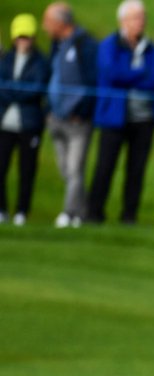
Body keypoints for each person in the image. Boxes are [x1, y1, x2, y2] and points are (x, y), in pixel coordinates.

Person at [87, 0, 154, 224]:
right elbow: (112, 73)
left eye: (142, 17)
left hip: (144, 119)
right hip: (113, 117)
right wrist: (139, 74)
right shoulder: (109, 45)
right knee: (105, 166)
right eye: (135, 17)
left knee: (136, 170)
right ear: (123, 20)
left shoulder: (150, 48)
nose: (140, 22)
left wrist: (131, 76)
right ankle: (94, 213)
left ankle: (129, 215)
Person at [42, 1, 96, 229]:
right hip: (56, 118)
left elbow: (93, 81)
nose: (45, 27)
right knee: (66, 169)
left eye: (48, 22)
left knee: (75, 170)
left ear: (60, 22)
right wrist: (47, 110)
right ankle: (80, 213)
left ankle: (68, 213)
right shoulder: (56, 44)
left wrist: (82, 111)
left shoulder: (85, 44)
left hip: (78, 121)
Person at [0, 13, 50, 226]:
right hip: (5, 123)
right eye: (20, 36)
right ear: (14, 38)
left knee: (27, 170)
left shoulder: (40, 61)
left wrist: (12, 89)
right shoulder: (6, 59)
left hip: (29, 123)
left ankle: (22, 211)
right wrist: (16, 90)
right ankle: (1, 210)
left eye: (27, 36)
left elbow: (35, 89)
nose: (24, 40)